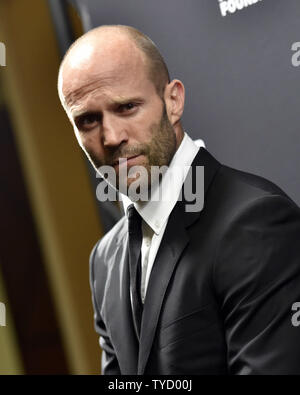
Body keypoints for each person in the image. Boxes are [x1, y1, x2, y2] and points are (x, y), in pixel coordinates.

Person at [58, 25, 300, 375]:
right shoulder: (105, 261)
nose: (110, 137)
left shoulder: (254, 222)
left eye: (126, 107)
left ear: (173, 101)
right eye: (87, 120)